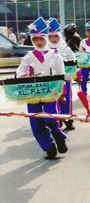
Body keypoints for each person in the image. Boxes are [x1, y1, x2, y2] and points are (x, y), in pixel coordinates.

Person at [16, 17, 68, 159]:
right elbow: (19, 72)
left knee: (51, 118)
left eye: (41, 39)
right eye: (35, 39)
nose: (38, 42)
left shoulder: (55, 56)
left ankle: (59, 137)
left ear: (46, 38)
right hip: (32, 93)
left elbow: (61, 75)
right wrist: (24, 76)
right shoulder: (28, 56)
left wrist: (61, 93)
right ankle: (49, 148)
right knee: (35, 122)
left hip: (50, 92)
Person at [47, 18, 77, 131]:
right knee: (55, 101)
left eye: (56, 36)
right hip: (51, 82)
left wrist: (75, 74)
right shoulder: (44, 50)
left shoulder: (65, 48)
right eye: (50, 36)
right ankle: (57, 122)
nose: (53, 39)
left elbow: (73, 63)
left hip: (65, 80)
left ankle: (68, 120)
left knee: (67, 101)